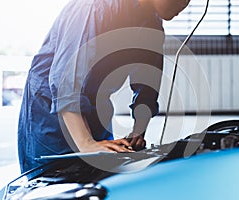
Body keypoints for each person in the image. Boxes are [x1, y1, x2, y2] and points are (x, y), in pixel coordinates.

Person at [18, 0, 190, 173]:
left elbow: (147, 85)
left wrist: (138, 131)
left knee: (100, 176)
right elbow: (66, 81)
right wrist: (86, 143)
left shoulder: (151, 25)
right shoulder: (92, 7)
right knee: (53, 183)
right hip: (50, 113)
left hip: (96, 108)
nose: (185, 3)